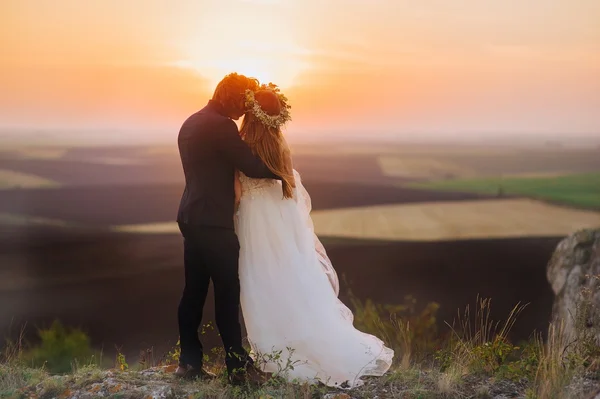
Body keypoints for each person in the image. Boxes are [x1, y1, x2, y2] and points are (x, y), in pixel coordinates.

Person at [234, 84, 394, 388]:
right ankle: (301, 347)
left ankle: (273, 355)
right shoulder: (281, 147)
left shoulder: (240, 147)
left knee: (259, 286)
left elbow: (237, 193)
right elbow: (292, 195)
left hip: (254, 227)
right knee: (292, 282)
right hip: (281, 224)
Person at [175, 73, 279, 384]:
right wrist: (282, 169)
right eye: (244, 102)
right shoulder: (221, 126)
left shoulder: (191, 121)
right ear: (232, 97)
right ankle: (237, 369)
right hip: (214, 223)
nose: (245, 110)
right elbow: (250, 165)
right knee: (227, 295)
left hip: (190, 217)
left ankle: (189, 365)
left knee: (193, 294)